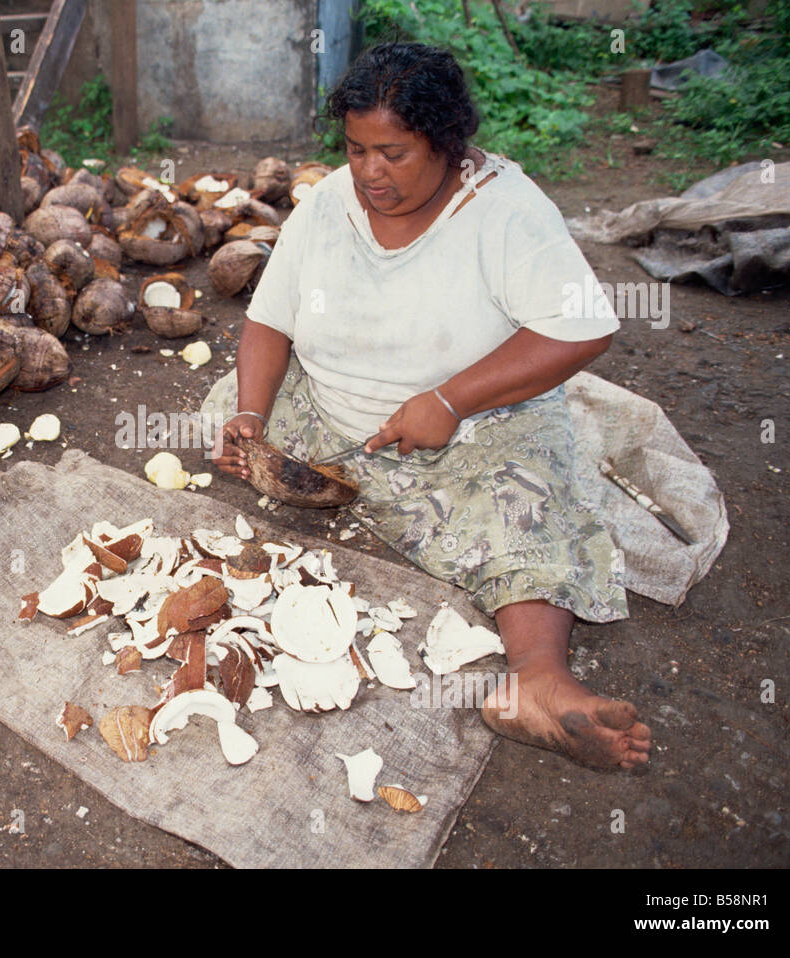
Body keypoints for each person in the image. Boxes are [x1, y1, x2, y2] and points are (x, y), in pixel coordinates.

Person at [204, 41, 651, 770]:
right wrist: (252, 419)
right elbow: (269, 322)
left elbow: (585, 328)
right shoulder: (325, 207)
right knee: (231, 409)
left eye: (394, 153)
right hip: (331, 418)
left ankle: (536, 681)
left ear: (446, 144)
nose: (371, 173)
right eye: (355, 150)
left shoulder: (504, 209)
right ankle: (320, 472)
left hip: (476, 428)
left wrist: (450, 397)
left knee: (532, 494)